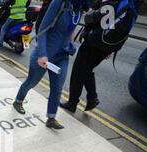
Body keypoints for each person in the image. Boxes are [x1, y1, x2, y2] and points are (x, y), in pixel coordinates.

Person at [12, 0, 90, 129]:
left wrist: (71, 44)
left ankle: (51, 118)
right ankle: (18, 101)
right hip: (44, 55)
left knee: (57, 88)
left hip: (62, 55)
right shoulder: (59, 2)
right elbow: (42, 29)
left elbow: (70, 29)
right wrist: (42, 54)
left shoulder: (80, 6)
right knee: (32, 82)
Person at [60, 0, 137, 112]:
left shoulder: (109, 3)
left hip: (93, 44)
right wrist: (109, 47)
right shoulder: (125, 4)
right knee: (86, 69)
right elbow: (111, 26)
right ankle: (92, 98)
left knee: (78, 72)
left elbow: (89, 19)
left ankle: (72, 103)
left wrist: (89, 15)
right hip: (106, 46)